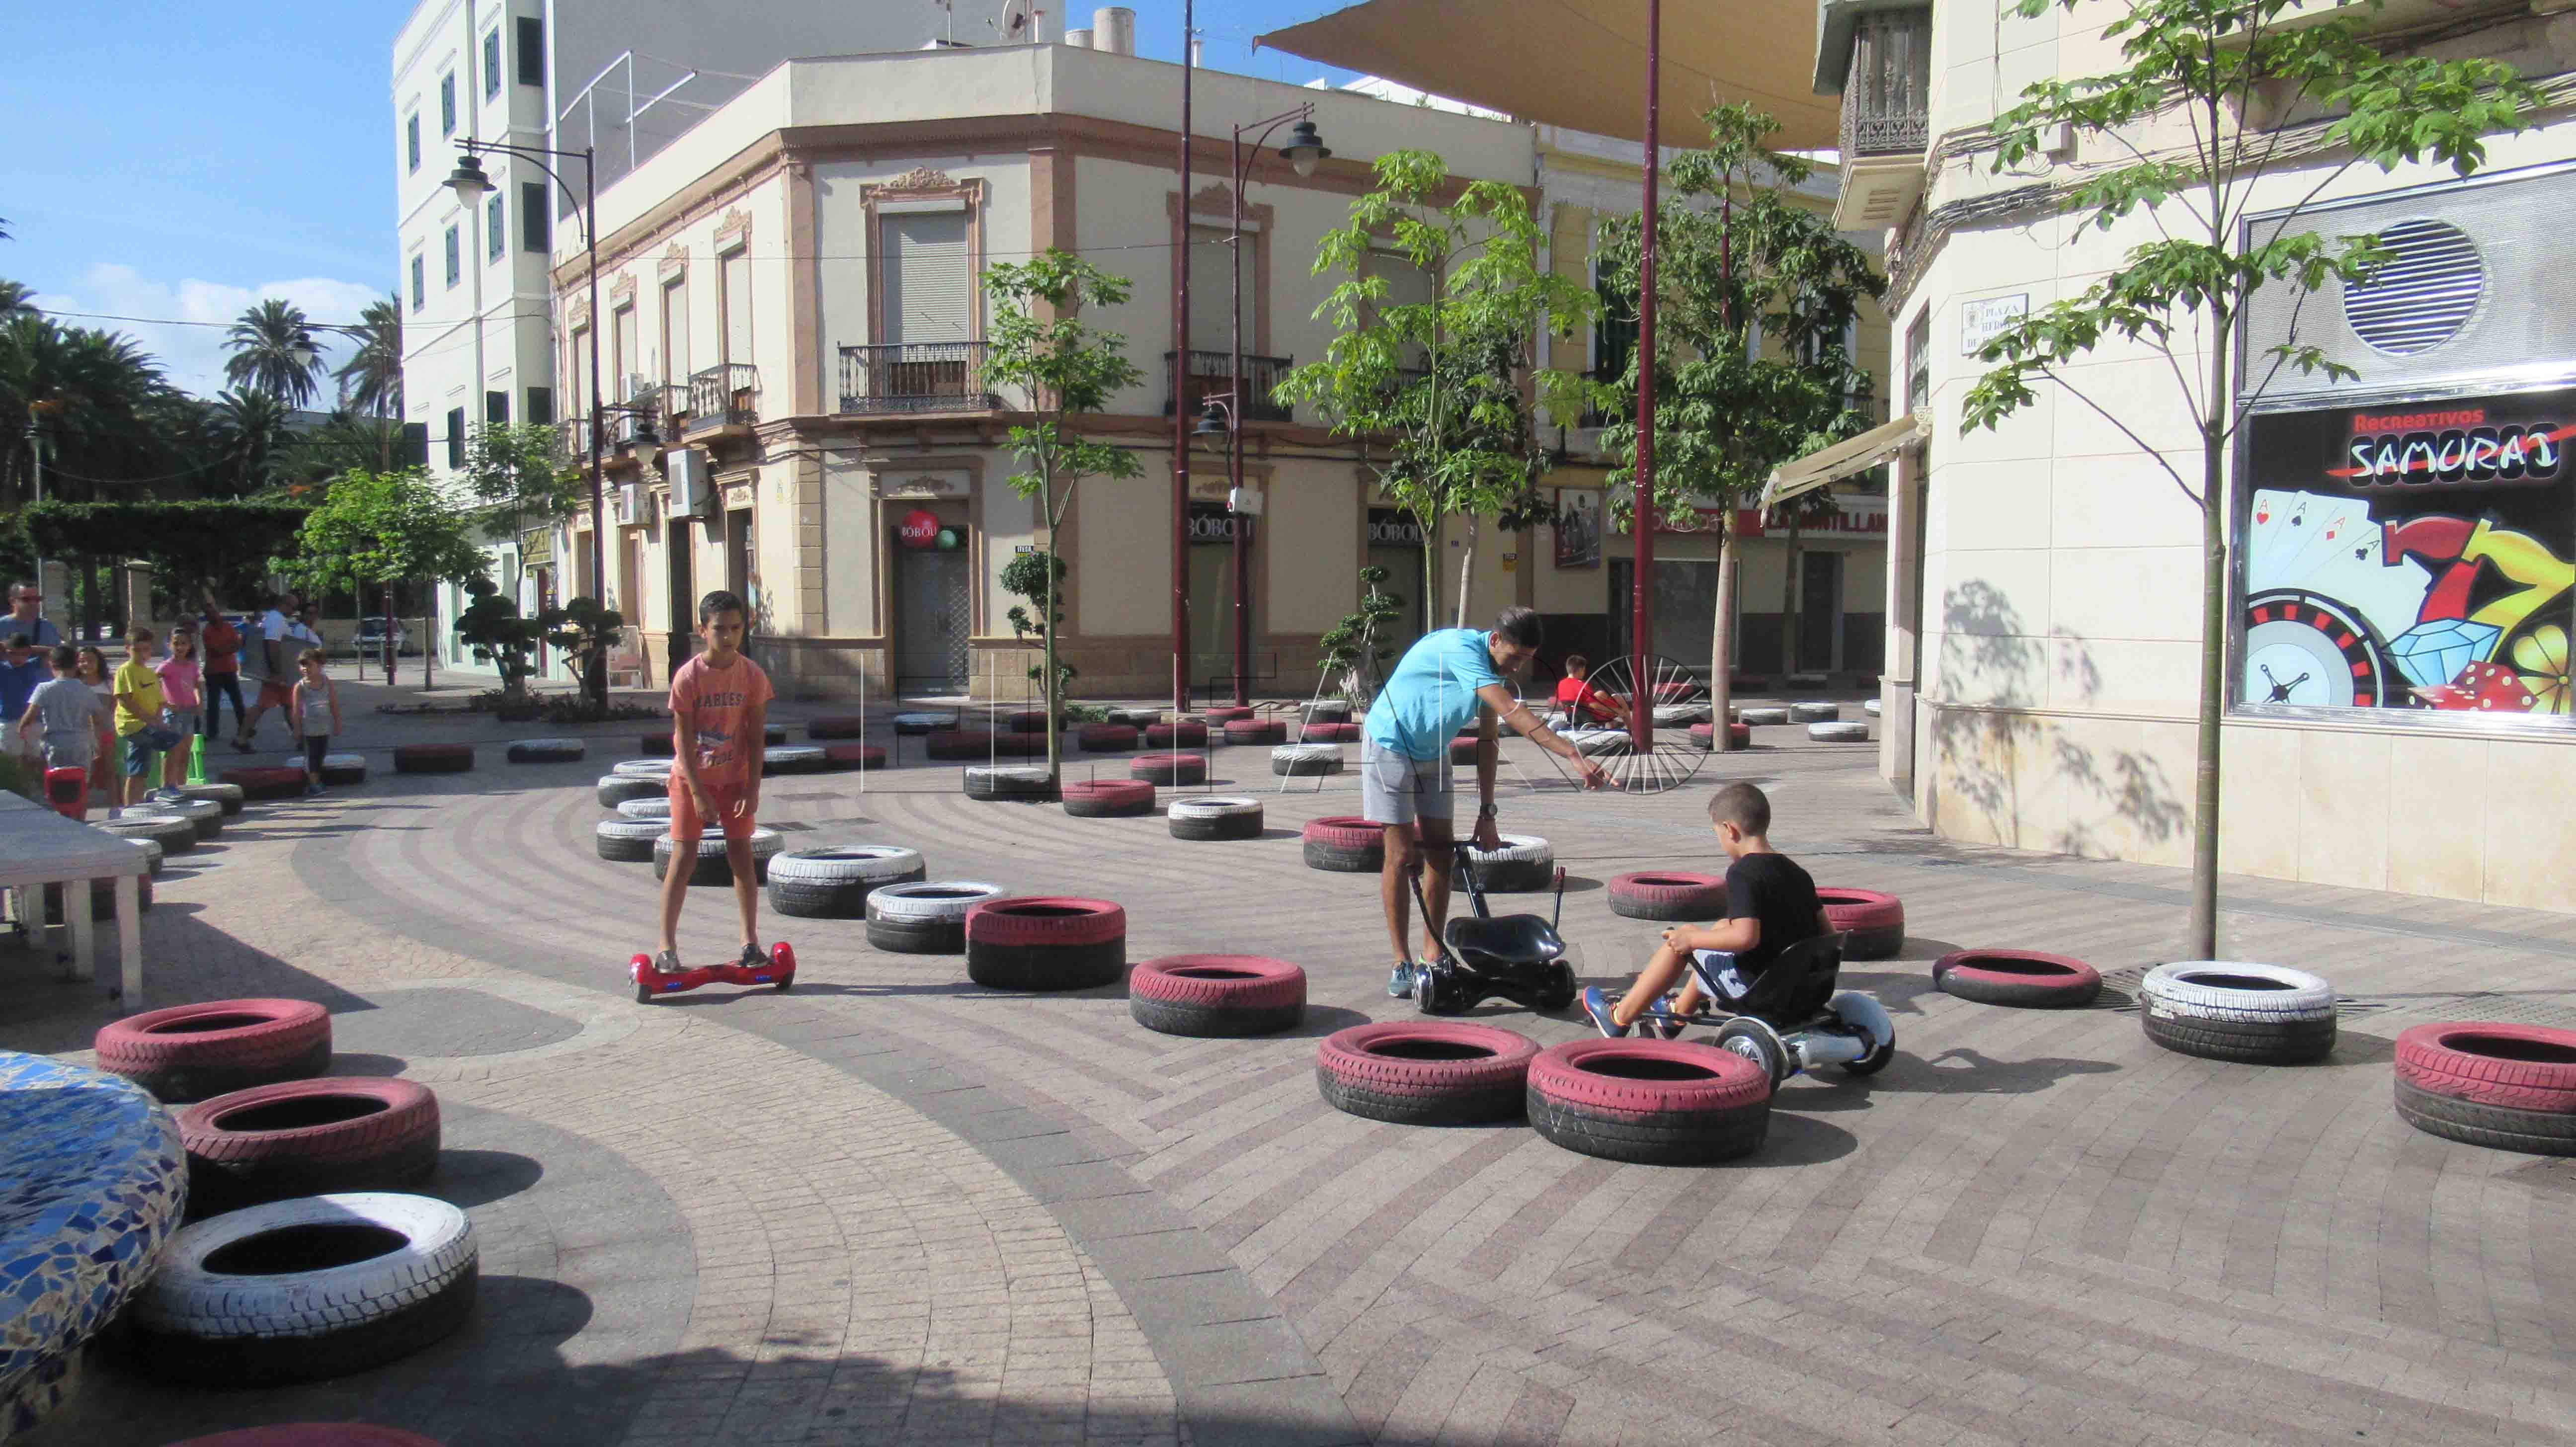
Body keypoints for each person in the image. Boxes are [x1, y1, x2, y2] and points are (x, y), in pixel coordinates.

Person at [1365, 606, 1612, 999]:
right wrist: (1570, 753)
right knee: (1400, 856)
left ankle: (1434, 955)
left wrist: (1488, 812)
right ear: (1494, 641)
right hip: (1390, 744)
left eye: (1526, 661)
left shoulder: (1493, 670)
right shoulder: (1462, 652)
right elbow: (1513, 712)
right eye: (1513, 658)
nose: (1515, 669)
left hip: (1433, 751)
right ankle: (1401, 961)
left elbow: (1488, 741)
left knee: (1442, 854)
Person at [1581, 782, 1827, 1039]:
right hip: (1805, 985)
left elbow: (1746, 937)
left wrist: (1692, 940)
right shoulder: (1798, 873)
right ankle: (1676, 1012)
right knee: (1722, 927)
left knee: (1682, 941)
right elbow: (1828, 933)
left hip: (1761, 988)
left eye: (1717, 834)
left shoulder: (1744, 873)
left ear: (1730, 830)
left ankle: (1619, 1016)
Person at [654, 589, 772, 976]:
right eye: (720, 629)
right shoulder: (688, 677)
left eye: (736, 628)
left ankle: (750, 942)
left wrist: (752, 788)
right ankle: (667, 947)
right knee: (683, 858)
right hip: (693, 780)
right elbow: (684, 741)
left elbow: (756, 736)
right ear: (702, 630)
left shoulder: (752, 675)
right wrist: (698, 792)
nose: (729, 637)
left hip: (734, 779)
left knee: (742, 858)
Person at [113, 628, 188, 808]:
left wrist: (161, 718)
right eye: (136, 650)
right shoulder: (126, 670)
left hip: (147, 725)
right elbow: (124, 698)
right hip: (133, 725)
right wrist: (149, 719)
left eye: (146, 650)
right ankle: (168, 787)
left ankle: (133, 808)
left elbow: (159, 701)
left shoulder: (149, 673)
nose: (141, 654)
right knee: (176, 743)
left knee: (139, 768)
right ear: (128, 649)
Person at [18, 645, 105, 797]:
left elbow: (30, 717)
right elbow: (98, 720)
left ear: (51, 664)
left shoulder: (44, 688)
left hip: (55, 743)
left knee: (58, 785)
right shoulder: (86, 690)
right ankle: (79, 815)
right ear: (76, 664)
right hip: (81, 743)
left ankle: (61, 814)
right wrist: (97, 744)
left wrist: (22, 730)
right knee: (80, 785)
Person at [234, 593, 297, 751]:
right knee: (263, 706)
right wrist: (276, 672)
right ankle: (241, 738)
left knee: (289, 705)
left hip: (279, 672)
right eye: (293, 607)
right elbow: (272, 645)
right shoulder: (276, 620)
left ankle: (301, 739)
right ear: (283, 604)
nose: (294, 611)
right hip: (277, 674)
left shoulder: (273, 618)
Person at [157, 623, 204, 795]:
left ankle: (181, 786)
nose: (180, 647)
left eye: (184, 643)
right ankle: (166, 786)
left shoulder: (192, 667)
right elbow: (153, 685)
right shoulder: (165, 666)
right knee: (172, 751)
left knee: (185, 750)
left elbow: (198, 685)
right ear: (169, 645)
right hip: (173, 713)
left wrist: (199, 702)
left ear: (190, 646)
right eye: (176, 643)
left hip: (189, 712)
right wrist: (164, 704)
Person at [288, 647, 341, 797]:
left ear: (319, 666)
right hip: (309, 728)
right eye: (302, 665)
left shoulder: (326, 682)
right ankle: (313, 784)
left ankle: (316, 781)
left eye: (309, 665)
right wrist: (297, 729)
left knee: (321, 754)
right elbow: (296, 710)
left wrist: (337, 723)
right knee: (312, 755)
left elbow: (333, 704)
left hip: (324, 727)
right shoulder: (300, 686)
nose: (305, 668)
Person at [197, 598, 244, 747]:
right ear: (207, 617)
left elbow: (237, 645)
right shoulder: (207, 631)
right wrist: (229, 648)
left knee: (238, 701)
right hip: (213, 672)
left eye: (214, 613)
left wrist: (227, 649)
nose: (213, 616)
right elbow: (216, 651)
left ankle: (245, 729)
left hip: (229, 670)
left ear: (218, 613)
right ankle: (212, 732)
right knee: (213, 704)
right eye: (209, 614)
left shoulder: (228, 627)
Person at [76, 646, 114, 810]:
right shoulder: (76, 685)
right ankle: (82, 809)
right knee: (85, 775)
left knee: (110, 771)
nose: (86, 664)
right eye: (82, 661)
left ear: (99, 662)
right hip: (83, 735)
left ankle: (115, 808)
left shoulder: (109, 683)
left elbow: (114, 708)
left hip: (107, 733)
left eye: (91, 660)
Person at [0, 634, 44, 774]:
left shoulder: (33, 664)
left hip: (33, 720)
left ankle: (34, 788)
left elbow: (56, 652)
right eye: (12, 654)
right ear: (6, 653)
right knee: (12, 759)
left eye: (23, 654)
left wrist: (31, 649)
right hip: (9, 720)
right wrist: (4, 645)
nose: (18, 658)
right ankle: (17, 789)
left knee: (35, 757)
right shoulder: (2, 668)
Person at [1550, 654, 1622, 728]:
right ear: (1580, 669)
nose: (1584, 673)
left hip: (1572, 718)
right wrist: (1616, 711)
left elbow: (1560, 702)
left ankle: (1615, 723)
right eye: (1584, 670)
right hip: (1589, 719)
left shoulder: (1561, 684)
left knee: (1600, 695)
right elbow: (1594, 706)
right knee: (1619, 702)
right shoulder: (1582, 685)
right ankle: (1629, 731)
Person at [4, 583, 61, 651]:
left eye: (37, 599)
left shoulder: (48, 627)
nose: (33, 604)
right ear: (12, 602)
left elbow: (56, 656)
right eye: (26, 600)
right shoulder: (2, 625)